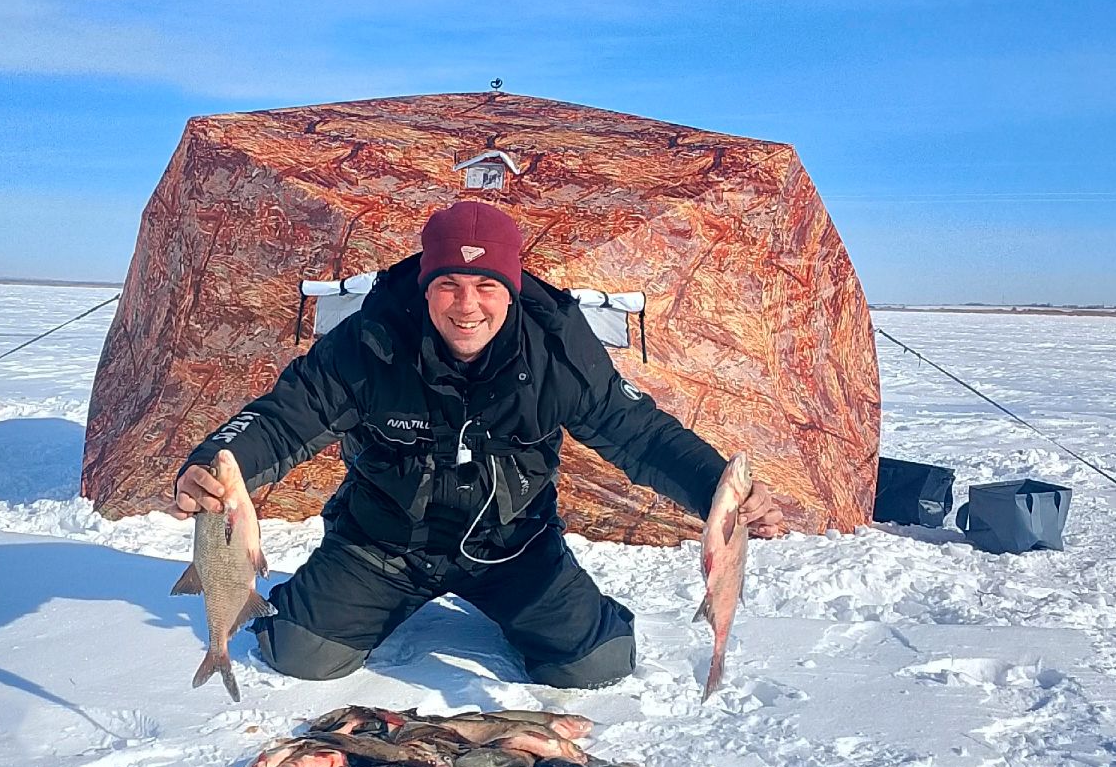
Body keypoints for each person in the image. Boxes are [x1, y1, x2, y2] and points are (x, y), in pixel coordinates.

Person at [170, 200, 785, 688]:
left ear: (511, 289)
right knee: (299, 654)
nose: (467, 306)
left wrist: (720, 492)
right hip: (381, 546)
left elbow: (642, 434)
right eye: (449, 284)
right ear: (425, 286)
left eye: (486, 286)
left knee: (596, 665)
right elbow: (281, 418)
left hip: (513, 548)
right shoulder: (369, 343)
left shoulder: (558, 350)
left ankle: (553, 614)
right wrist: (211, 466)